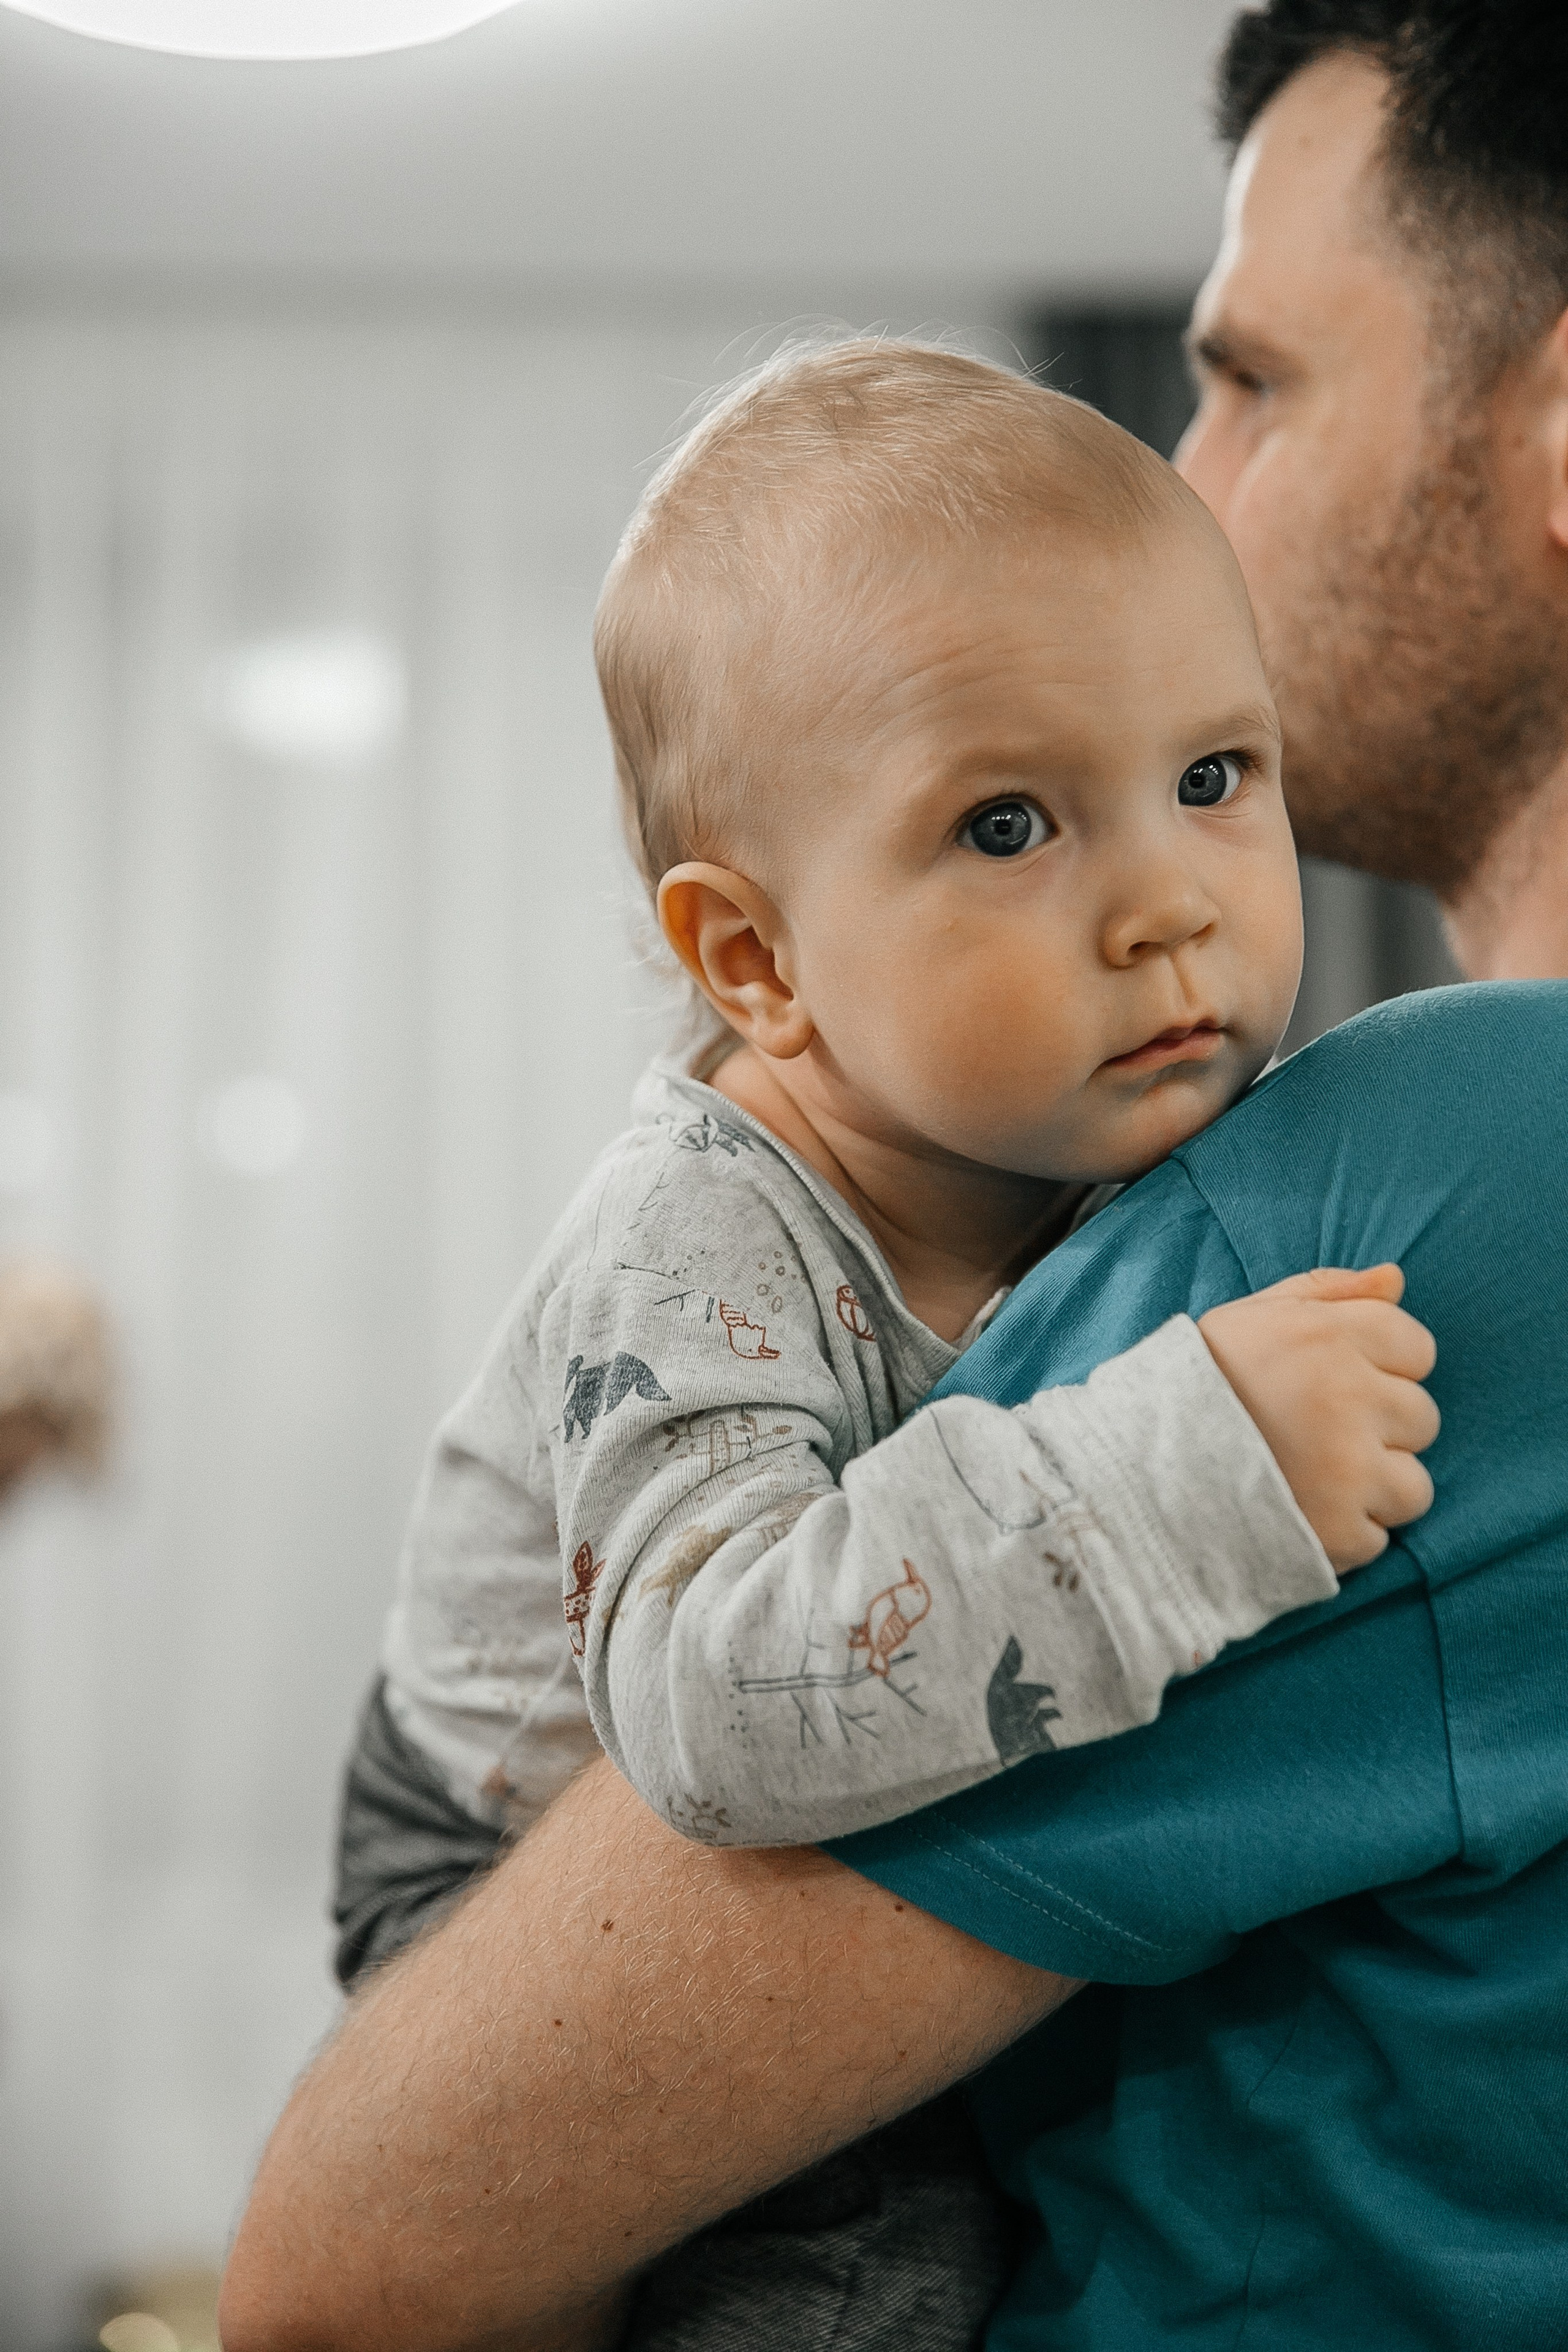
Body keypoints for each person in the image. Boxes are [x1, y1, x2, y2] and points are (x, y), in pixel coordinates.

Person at [221, 2, 1568, 2345]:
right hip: (521, 1798)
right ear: (756, 963)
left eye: (1253, 379)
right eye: (1011, 824)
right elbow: (729, 1693)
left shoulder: (1443, 1158)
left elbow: (347, 2272)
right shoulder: (716, 1230)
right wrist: (1184, 1473)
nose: (1195, 471)